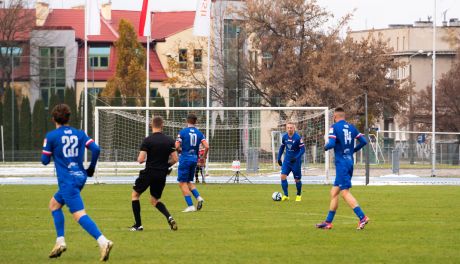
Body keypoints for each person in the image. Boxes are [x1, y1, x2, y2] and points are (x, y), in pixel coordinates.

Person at [41, 104, 113, 261]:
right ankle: (60, 242)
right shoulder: (80, 134)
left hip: (68, 180)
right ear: (68, 118)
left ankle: (103, 241)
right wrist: (91, 168)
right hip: (80, 177)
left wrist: (49, 149)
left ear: (53, 119)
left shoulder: (52, 136)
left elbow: (44, 161)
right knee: (54, 205)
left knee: (79, 214)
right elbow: (96, 149)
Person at [316, 107, 369, 230]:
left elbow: (332, 144)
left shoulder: (334, 127)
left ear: (335, 116)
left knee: (345, 193)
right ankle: (328, 222)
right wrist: (353, 150)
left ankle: (362, 217)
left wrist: (324, 147)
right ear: (344, 116)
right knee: (334, 192)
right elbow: (363, 141)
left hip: (341, 164)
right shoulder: (351, 127)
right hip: (349, 162)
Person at [130, 116, 178, 231]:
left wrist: (148, 160)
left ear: (151, 125)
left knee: (135, 195)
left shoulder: (148, 140)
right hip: (162, 174)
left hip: (149, 172)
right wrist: (165, 166)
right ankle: (169, 217)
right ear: (162, 125)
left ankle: (138, 225)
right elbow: (175, 159)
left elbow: (140, 159)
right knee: (154, 200)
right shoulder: (170, 140)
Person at [176, 113, 209, 212]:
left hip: (185, 159)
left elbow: (176, 146)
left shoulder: (182, 132)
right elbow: (207, 146)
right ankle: (198, 198)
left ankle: (190, 206)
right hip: (194, 159)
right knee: (188, 182)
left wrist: (180, 151)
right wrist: (203, 157)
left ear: (187, 121)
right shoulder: (199, 133)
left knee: (182, 183)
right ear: (196, 122)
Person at [277, 122, 305, 202]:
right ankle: (286, 195)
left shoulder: (297, 138)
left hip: (296, 162)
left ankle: (298, 194)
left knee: (297, 180)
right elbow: (282, 148)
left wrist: (296, 158)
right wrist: (279, 158)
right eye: (288, 127)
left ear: (294, 128)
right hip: (287, 161)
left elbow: (303, 149)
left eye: (291, 128)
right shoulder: (284, 137)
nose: (289, 129)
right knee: (282, 176)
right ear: (286, 128)